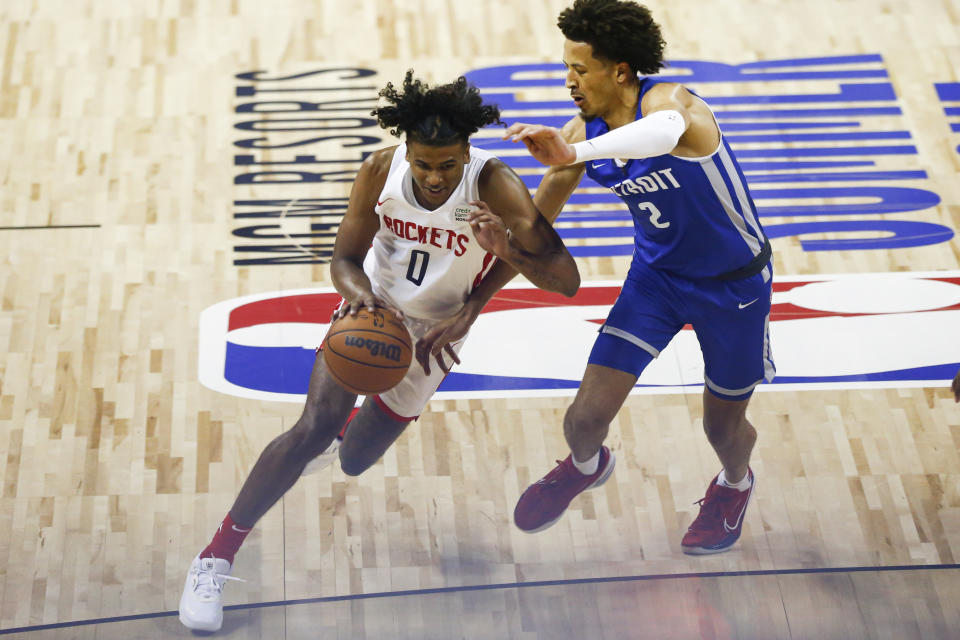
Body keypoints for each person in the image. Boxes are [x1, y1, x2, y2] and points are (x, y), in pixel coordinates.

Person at [179, 71, 580, 632]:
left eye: (447, 164)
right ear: (407, 152)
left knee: (354, 459)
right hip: (373, 315)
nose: (435, 177)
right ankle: (215, 556)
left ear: (467, 151)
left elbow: (565, 280)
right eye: (423, 163)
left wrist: (498, 259)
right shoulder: (378, 170)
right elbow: (344, 259)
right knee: (310, 429)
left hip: (439, 332)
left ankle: (344, 434)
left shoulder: (496, 184)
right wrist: (362, 299)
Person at [506, 0, 774, 556]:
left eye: (579, 70)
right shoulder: (583, 132)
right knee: (582, 421)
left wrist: (574, 149)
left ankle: (735, 485)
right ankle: (586, 467)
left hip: (733, 286)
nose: (568, 82)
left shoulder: (674, 105)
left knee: (722, 430)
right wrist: (479, 271)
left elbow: (664, 131)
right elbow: (532, 226)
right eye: (566, 69)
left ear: (620, 71)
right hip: (656, 280)